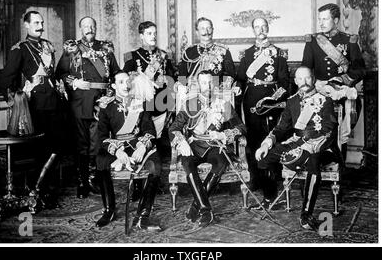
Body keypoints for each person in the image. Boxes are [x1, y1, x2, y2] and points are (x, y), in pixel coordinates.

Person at [255, 66, 339, 231]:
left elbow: (329, 130)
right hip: (297, 141)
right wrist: (266, 143)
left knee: (313, 161)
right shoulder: (292, 101)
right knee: (263, 159)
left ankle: (306, 215)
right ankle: (270, 197)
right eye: (300, 79)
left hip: (322, 146)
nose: (305, 82)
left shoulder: (325, 100)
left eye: (307, 78)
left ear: (313, 79)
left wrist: (314, 146)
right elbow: (280, 128)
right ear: (295, 81)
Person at [0, 10, 67, 203]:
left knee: (58, 145)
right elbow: (5, 79)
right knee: (41, 150)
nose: (40, 26)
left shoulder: (47, 46)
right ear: (26, 25)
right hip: (36, 106)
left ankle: (43, 187)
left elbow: (54, 74)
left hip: (55, 103)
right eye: (35, 22)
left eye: (41, 22)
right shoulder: (20, 48)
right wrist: (17, 98)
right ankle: (39, 191)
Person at [169, 70, 246, 228]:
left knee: (221, 163)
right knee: (188, 164)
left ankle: (196, 206)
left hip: (214, 144)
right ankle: (205, 210)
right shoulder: (189, 104)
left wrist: (224, 134)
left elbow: (241, 127)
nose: (208, 86)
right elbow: (174, 128)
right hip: (194, 144)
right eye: (204, 82)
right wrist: (181, 141)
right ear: (198, 84)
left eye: (211, 82)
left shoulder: (223, 104)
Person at [56, 16, 120, 199]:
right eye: (85, 26)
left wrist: (115, 89)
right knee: (82, 144)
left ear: (96, 27)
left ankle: (95, 178)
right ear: (80, 29)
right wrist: (74, 81)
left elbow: (115, 72)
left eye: (92, 26)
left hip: (102, 101)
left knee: (98, 142)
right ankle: (82, 182)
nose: (89, 29)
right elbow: (60, 73)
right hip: (80, 101)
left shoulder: (106, 47)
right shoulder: (72, 47)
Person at [95, 71, 162, 230]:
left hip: (136, 144)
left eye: (128, 81)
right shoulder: (106, 106)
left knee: (156, 165)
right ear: (113, 85)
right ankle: (109, 210)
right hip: (117, 146)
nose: (126, 85)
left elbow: (149, 131)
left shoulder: (139, 103)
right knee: (100, 161)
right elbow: (102, 136)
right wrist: (117, 152)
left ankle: (143, 214)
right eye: (121, 82)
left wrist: (143, 146)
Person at [123, 21, 176, 200]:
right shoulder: (131, 56)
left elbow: (172, 77)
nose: (153, 36)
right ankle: (137, 183)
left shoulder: (163, 55)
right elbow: (126, 81)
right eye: (149, 33)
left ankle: (154, 181)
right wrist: (142, 79)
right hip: (141, 107)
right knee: (140, 142)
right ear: (141, 36)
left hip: (160, 104)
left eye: (154, 33)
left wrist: (168, 83)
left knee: (157, 143)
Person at [302, 3, 366, 149]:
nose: (321, 23)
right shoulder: (312, 42)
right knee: (318, 133)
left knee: (339, 136)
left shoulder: (349, 40)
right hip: (320, 95)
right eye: (320, 19)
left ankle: (340, 167)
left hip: (342, 95)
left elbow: (360, 70)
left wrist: (340, 80)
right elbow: (305, 69)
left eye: (325, 19)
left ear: (336, 20)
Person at [237, 17, 290, 191]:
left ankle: (273, 176)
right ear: (253, 30)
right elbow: (241, 79)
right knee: (253, 138)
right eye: (257, 27)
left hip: (272, 100)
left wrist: (274, 99)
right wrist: (237, 88)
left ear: (268, 28)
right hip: (251, 99)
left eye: (263, 26)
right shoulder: (246, 54)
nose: (261, 30)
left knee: (271, 136)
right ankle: (255, 177)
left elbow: (284, 81)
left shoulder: (279, 53)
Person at [177, 17, 237, 93]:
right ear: (197, 32)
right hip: (193, 94)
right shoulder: (189, 52)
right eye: (202, 29)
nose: (206, 32)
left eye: (209, 28)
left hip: (215, 94)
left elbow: (230, 76)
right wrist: (182, 88)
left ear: (213, 30)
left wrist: (222, 90)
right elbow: (182, 76)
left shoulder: (223, 51)